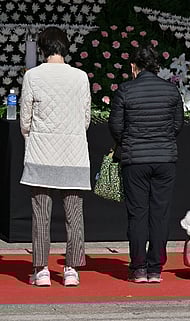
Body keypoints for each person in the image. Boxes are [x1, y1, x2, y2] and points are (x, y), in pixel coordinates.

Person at [20, 26, 91, 287]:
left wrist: (36, 138)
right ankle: (71, 269)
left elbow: (25, 121)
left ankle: (41, 270)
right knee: (74, 215)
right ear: (65, 46)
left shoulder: (33, 76)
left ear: (42, 47)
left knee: (41, 215)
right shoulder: (81, 77)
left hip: (41, 154)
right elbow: (86, 119)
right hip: (74, 154)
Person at [109, 45, 184, 283]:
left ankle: (138, 267)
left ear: (134, 66)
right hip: (164, 158)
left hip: (135, 159)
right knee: (160, 214)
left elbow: (116, 126)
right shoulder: (171, 91)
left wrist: (129, 142)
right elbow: (177, 124)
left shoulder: (125, 90)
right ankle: (155, 268)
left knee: (137, 214)